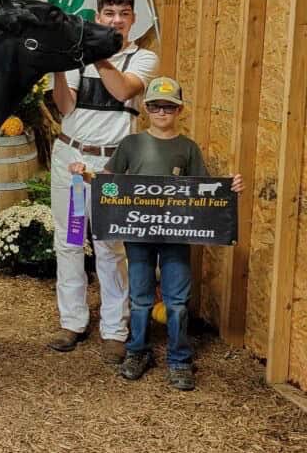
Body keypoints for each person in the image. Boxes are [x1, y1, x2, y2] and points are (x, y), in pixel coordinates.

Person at [69, 76, 244, 390]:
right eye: (155, 105)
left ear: (179, 110)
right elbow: (110, 183)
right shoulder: (131, 144)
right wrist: (86, 176)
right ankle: (138, 351)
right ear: (146, 108)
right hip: (138, 234)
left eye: (169, 106)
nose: (162, 111)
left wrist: (229, 189)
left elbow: (203, 190)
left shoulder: (187, 148)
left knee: (177, 301)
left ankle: (179, 359)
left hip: (176, 235)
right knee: (139, 298)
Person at [48, 0, 159, 363]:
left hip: (112, 164)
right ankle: (73, 322)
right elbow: (65, 107)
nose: (115, 20)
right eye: (108, 13)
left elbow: (123, 89)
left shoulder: (143, 58)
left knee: (110, 245)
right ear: (98, 17)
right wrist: (59, 72)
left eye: (123, 14)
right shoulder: (75, 61)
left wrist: (97, 55)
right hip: (73, 160)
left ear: (133, 20)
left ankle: (115, 329)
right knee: (71, 239)